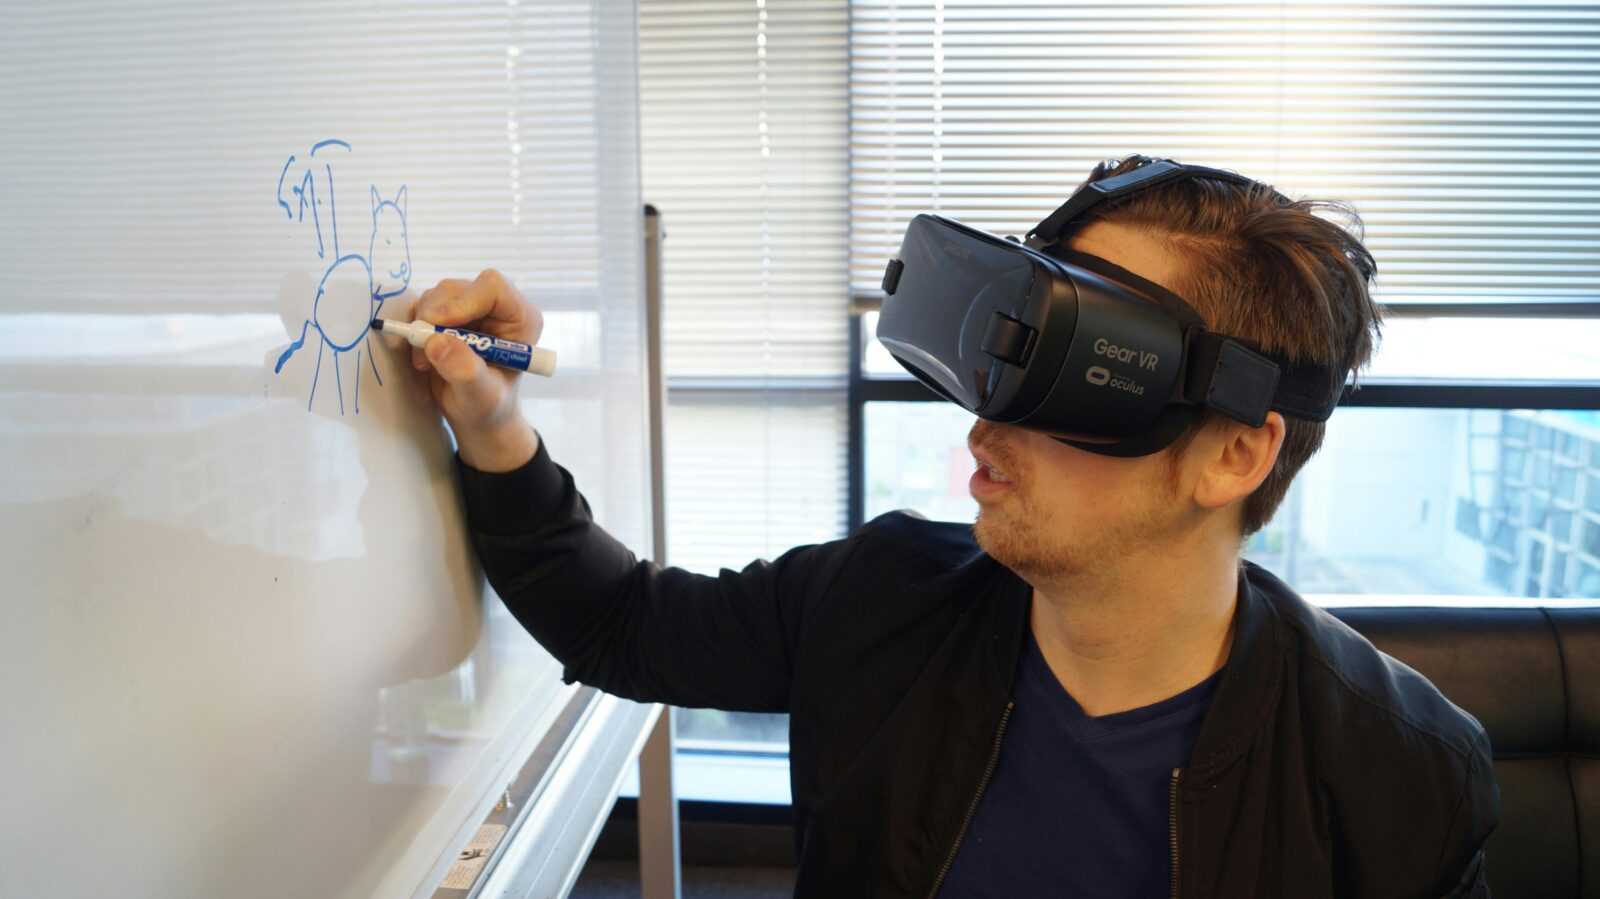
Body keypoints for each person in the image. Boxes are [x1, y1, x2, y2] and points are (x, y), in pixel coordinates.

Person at [408, 156, 1500, 898]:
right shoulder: (883, 601)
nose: (986, 422)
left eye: (1075, 381)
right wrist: (492, 419)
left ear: (1233, 453)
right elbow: (621, 626)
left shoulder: (1391, 773)